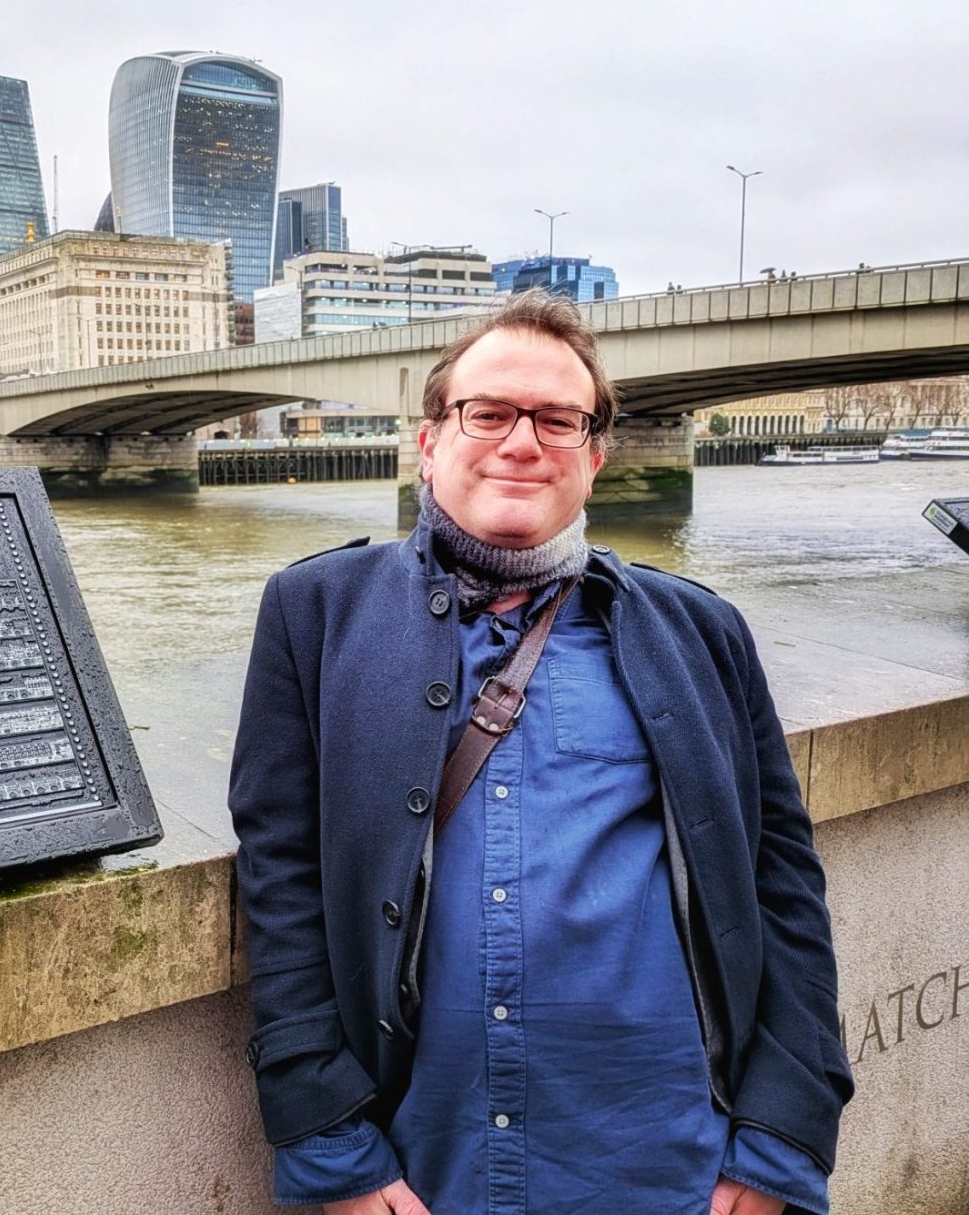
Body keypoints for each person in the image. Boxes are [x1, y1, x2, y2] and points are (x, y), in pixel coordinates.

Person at [228, 291, 852, 1214]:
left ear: (593, 458)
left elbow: (782, 885)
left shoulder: (703, 631)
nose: (522, 443)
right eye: (488, 413)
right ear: (429, 442)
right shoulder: (313, 613)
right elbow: (281, 883)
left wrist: (783, 1137)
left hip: (668, 1160)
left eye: (559, 420)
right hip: (425, 1158)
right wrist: (328, 1138)